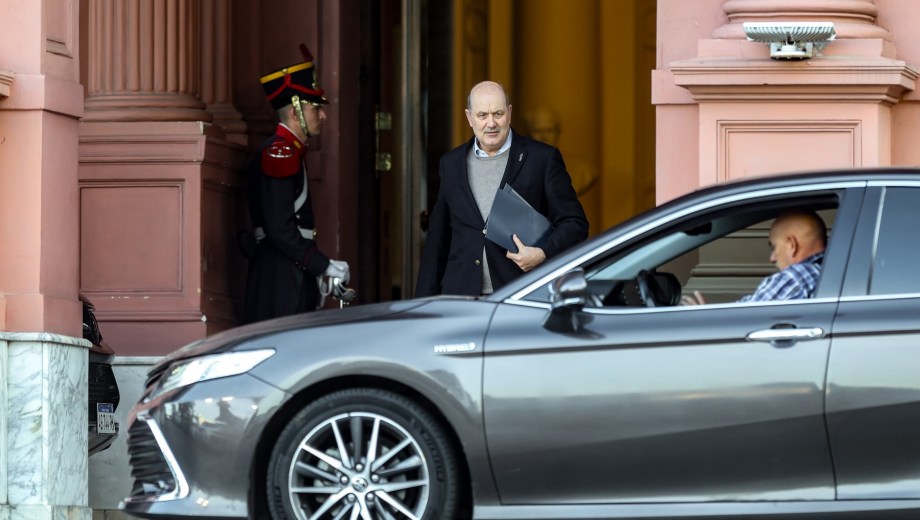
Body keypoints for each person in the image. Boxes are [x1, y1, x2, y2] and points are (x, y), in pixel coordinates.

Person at [416, 81, 589, 297]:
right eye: (482, 115)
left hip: (521, 294)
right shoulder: (451, 163)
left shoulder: (542, 159)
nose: (491, 123)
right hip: (460, 297)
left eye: (498, 114)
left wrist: (543, 252)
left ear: (509, 113)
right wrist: (423, 303)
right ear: (469, 118)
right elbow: (437, 241)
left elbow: (575, 224)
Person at [243, 45, 350, 323]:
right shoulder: (280, 153)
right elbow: (279, 229)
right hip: (279, 278)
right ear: (295, 111)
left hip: (289, 272)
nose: (323, 115)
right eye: (315, 108)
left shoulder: (290, 151)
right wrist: (322, 265)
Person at [680, 208, 827, 305]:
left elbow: (747, 318)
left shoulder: (798, 275)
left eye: (774, 247)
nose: (772, 258)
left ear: (791, 245)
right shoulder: (826, 274)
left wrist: (705, 320)